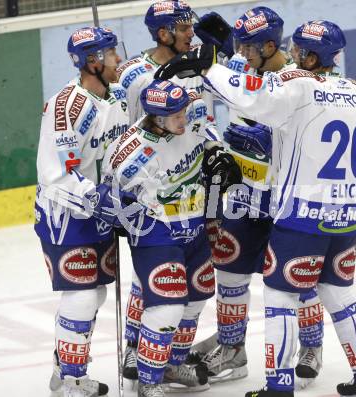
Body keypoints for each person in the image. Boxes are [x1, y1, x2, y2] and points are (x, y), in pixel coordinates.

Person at [155, 19, 356, 397]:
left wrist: (209, 66)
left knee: (280, 295)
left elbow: (254, 98)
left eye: (299, 50)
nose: (293, 55)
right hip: (348, 212)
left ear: (313, 56)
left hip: (303, 212)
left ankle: (279, 385)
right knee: (339, 291)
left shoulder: (298, 83)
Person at [187, 7, 324, 389]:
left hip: (286, 196)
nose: (240, 53)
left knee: (297, 277)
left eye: (248, 47)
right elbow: (216, 80)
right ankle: (232, 349)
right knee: (229, 271)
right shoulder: (240, 62)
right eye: (239, 45)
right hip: (240, 195)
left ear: (269, 45)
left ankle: (311, 345)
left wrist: (274, 140)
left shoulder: (300, 81)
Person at [101, 79, 241, 397]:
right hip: (157, 235)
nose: (184, 118)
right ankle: (149, 380)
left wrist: (219, 157)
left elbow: (207, 130)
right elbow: (105, 198)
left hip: (195, 225)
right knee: (166, 309)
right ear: (157, 118)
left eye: (184, 111)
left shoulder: (188, 117)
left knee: (198, 297)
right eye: (176, 115)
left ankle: (171, 364)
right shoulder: (129, 152)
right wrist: (119, 212)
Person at [116, 0, 225, 387]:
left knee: (195, 284)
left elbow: (205, 120)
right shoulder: (132, 75)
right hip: (154, 191)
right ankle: (136, 346)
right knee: (152, 281)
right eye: (182, 28)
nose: (190, 33)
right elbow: (122, 131)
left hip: (196, 188)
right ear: (162, 34)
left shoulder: (199, 65)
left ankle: (171, 358)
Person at [34, 27, 132, 396]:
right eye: (111, 54)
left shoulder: (116, 96)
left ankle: (64, 368)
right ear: (92, 61)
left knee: (98, 293)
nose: (118, 59)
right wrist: (98, 199)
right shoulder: (66, 106)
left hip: (97, 210)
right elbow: (59, 172)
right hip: (65, 212)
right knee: (83, 296)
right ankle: (71, 381)